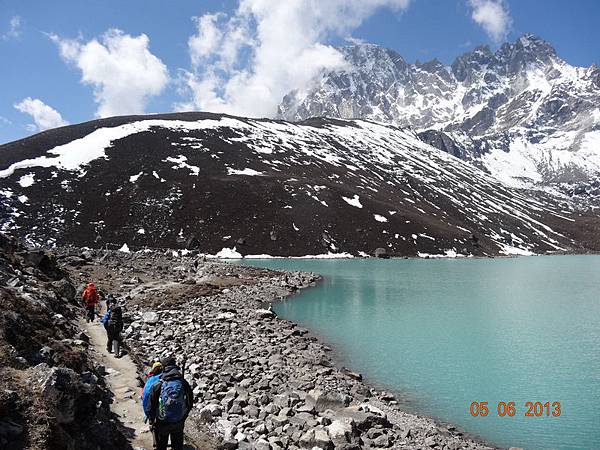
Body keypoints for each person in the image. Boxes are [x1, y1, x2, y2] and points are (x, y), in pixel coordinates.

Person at [144, 356, 193, 450]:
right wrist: (184, 415)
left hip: (162, 422)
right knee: (177, 446)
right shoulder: (183, 382)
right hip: (178, 421)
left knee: (161, 446)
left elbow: (151, 405)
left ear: (163, 368)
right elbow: (190, 401)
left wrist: (151, 420)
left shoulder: (158, 384)